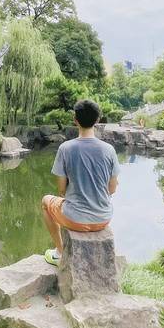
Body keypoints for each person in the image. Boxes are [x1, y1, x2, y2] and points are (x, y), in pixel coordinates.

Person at [41, 98, 120, 267]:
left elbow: (61, 189)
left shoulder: (66, 148)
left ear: (75, 120)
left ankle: (60, 252)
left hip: (74, 219)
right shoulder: (109, 150)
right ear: (98, 120)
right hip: (103, 218)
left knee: (45, 201)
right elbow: (112, 189)